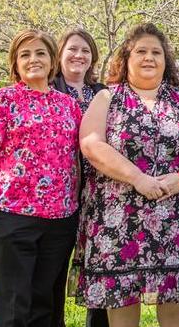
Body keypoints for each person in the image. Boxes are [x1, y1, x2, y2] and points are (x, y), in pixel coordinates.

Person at [76, 23, 179, 327]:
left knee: (176, 297)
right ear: (126, 58)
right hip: (121, 216)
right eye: (141, 51)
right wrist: (137, 177)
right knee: (122, 299)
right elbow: (91, 143)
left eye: (156, 52)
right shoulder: (107, 98)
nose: (149, 57)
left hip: (176, 214)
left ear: (166, 60)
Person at [0, 29, 82, 327]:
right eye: (25, 54)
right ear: (15, 63)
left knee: (47, 305)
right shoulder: (1, 101)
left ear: (53, 60)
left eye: (40, 53)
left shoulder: (68, 105)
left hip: (60, 221)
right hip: (11, 218)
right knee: (13, 307)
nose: (34, 60)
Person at [52, 27, 110, 327]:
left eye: (85, 50)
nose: (79, 55)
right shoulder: (48, 89)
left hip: (98, 193)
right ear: (59, 54)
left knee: (99, 264)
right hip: (58, 193)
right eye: (73, 49)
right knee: (55, 268)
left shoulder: (102, 93)